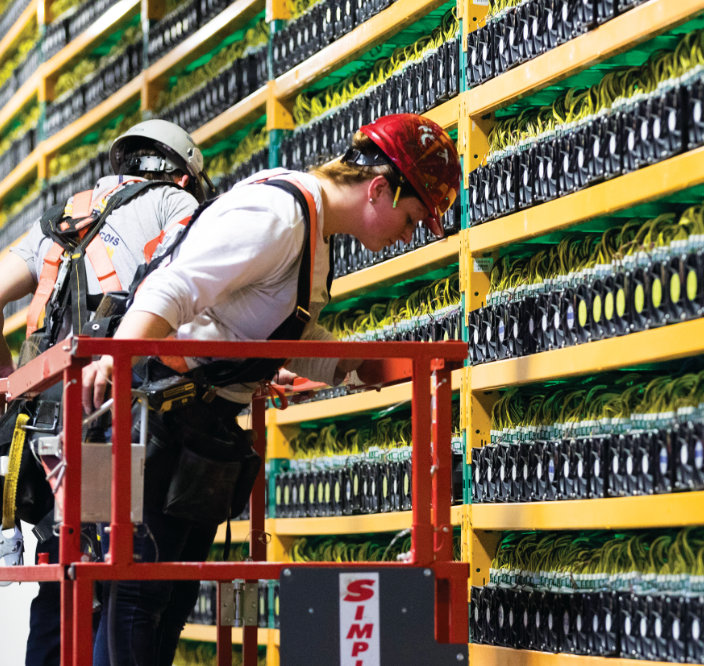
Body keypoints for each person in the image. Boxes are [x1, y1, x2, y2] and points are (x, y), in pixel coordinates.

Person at [78, 113, 461, 666]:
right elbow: (175, 285)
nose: (407, 235)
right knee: (140, 590)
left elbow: (286, 330)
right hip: (160, 409)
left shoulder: (314, 231)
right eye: (410, 218)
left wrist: (362, 367)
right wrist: (118, 360)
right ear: (379, 189)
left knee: (170, 593)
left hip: (198, 423)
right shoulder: (278, 215)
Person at [0, 119, 211, 666]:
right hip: (119, 424)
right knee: (123, 588)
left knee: (62, 579)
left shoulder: (62, 217)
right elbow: (189, 290)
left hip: (48, 432)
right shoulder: (175, 204)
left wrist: (0, 373)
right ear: (184, 174)